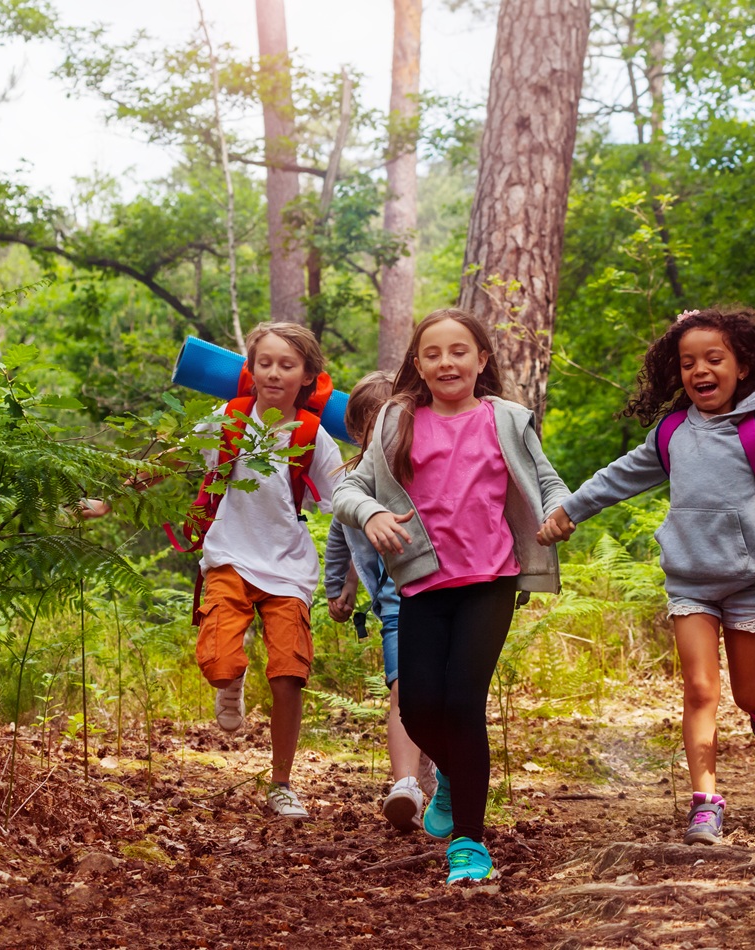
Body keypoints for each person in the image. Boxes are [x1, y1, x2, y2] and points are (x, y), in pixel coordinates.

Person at [540, 308, 755, 847]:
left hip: (747, 581)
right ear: (677, 373)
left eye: (714, 359)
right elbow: (620, 476)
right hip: (689, 582)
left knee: (747, 692)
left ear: (741, 368)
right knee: (700, 689)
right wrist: (571, 509)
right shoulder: (670, 434)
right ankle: (705, 803)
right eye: (688, 363)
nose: (700, 371)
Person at [332, 309, 568, 885]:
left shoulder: (508, 419)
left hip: (490, 581)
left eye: (459, 351)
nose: (446, 362)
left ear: (481, 360)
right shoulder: (397, 419)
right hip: (422, 584)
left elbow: (547, 481)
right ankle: (460, 776)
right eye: (433, 353)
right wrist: (373, 513)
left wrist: (562, 511)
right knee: (416, 709)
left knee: (463, 704)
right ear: (417, 364)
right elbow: (348, 489)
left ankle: (469, 840)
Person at [194, 322, 344, 820]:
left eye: (287, 364)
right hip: (229, 555)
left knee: (288, 676)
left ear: (307, 377)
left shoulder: (311, 435)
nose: (275, 372)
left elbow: (344, 494)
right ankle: (230, 679)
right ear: (251, 369)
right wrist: (114, 495)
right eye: (265, 363)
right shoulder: (228, 419)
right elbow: (171, 464)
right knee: (218, 661)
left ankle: (281, 783)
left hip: (288, 567)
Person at [322, 370, 432, 830]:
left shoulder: (425, 465)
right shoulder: (352, 483)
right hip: (396, 602)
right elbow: (341, 536)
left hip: (445, 591)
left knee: (444, 696)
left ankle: (437, 781)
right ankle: (405, 783)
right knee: (404, 693)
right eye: (373, 427)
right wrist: (340, 587)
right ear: (357, 431)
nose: (384, 434)